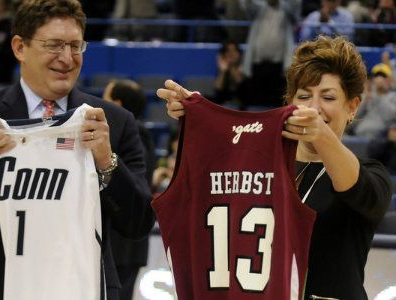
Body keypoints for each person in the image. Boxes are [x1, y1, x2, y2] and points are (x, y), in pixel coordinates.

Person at [157, 36, 392, 299]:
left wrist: (322, 135)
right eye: (304, 96)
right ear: (289, 103)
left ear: (352, 106)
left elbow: (362, 191)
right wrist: (199, 116)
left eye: (327, 97)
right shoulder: (261, 164)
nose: (314, 108)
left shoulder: (371, 173)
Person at [0, 1, 153, 300]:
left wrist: (107, 162)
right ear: (20, 47)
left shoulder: (113, 122)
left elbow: (139, 224)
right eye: (54, 45)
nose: (67, 58)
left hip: (85, 288)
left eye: (75, 46)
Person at [103, 79, 156, 300]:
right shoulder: (138, 132)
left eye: (105, 99)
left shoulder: (135, 133)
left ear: (117, 103)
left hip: (124, 243)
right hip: (122, 243)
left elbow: (133, 183)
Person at [239, 0, 300, 108]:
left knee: (276, 106)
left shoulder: (287, 9)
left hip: (279, 66)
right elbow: (247, 4)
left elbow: (296, 5)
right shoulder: (258, 8)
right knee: (255, 104)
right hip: (257, 65)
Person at [349, 63, 396, 140]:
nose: (379, 79)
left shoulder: (393, 96)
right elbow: (355, 115)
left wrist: (380, 95)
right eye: (377, 76)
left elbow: (390, 116)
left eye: (383, 76)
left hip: (381, 136)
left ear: (388, 80)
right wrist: (364, 100)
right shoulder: (368, 94)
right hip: (360, 132)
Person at [213, 40, 244, 106]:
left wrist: (232, 66)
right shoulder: (223, 69)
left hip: (241, 106)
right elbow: (218, 91)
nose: (231, 54)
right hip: (223, 106)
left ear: (239, 54)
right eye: (228, 51)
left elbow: (240, 84)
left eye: (234, 50)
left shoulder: (244, 68)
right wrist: (223, 71)